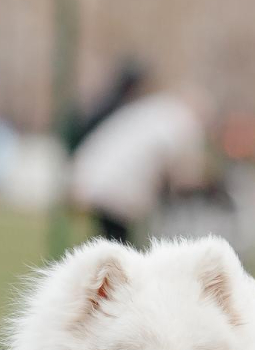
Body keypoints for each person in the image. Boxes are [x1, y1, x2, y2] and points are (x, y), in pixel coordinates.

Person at [70, 88, 208, 245]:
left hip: (97, 175)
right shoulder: (181, 121)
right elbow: (183, 170)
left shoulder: (154, 111)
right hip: (118, 186)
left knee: (111, 236)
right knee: (116, 240)